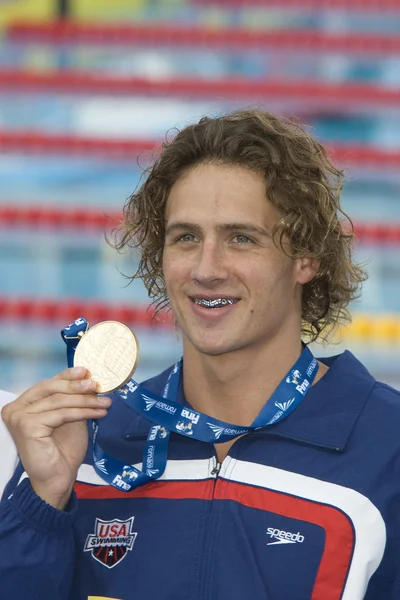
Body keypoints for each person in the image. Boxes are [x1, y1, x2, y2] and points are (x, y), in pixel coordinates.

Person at [0, 108, 399, 600]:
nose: (206, 269)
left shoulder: (387, 450)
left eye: (240, 238)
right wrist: (44, 502)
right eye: (186, 237)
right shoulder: (89, 447)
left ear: (305, 258)